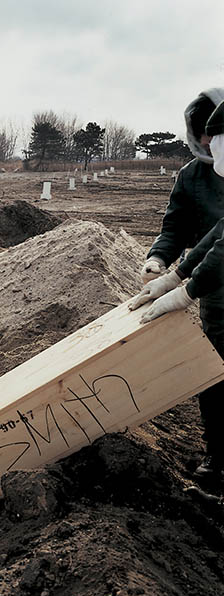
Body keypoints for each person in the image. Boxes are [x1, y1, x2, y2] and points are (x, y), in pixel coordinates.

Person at [137, 87, 224, 480]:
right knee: (214, 373)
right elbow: (213, 235)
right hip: (215, 292)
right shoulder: (194, 177)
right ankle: (219, 456)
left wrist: (184, 289)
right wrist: (167, 267)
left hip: (209, 279)